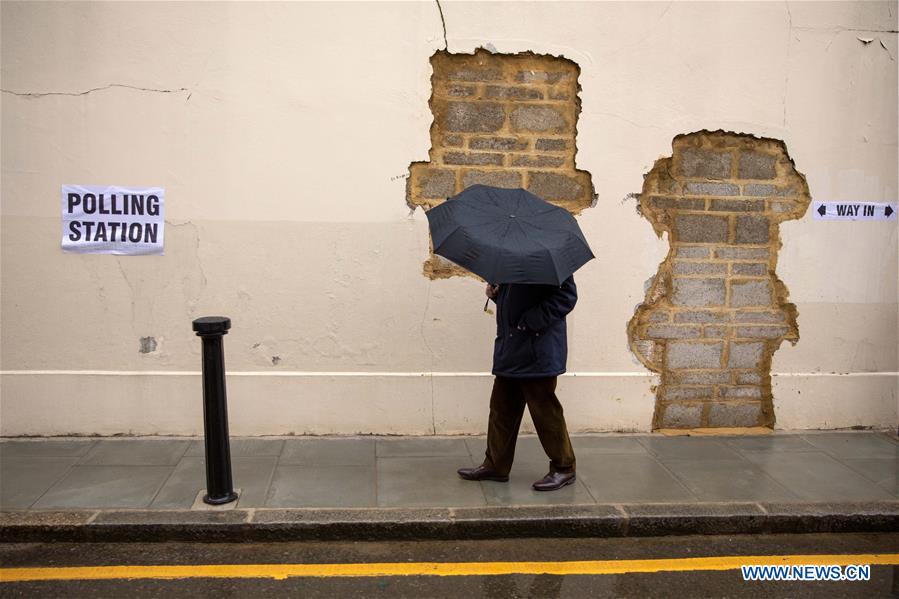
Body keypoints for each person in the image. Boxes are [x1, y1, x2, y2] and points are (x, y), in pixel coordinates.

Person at [457, 276, 578, 491]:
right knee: (501, 409)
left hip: (539, 348)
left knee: (545, 411)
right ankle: (496, 465)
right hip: (511, 346)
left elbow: (567, 297)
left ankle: (564, 467)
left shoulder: (546, 254)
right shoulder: (513, 256)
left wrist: (531, 321)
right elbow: (517, 299)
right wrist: (497, 294)